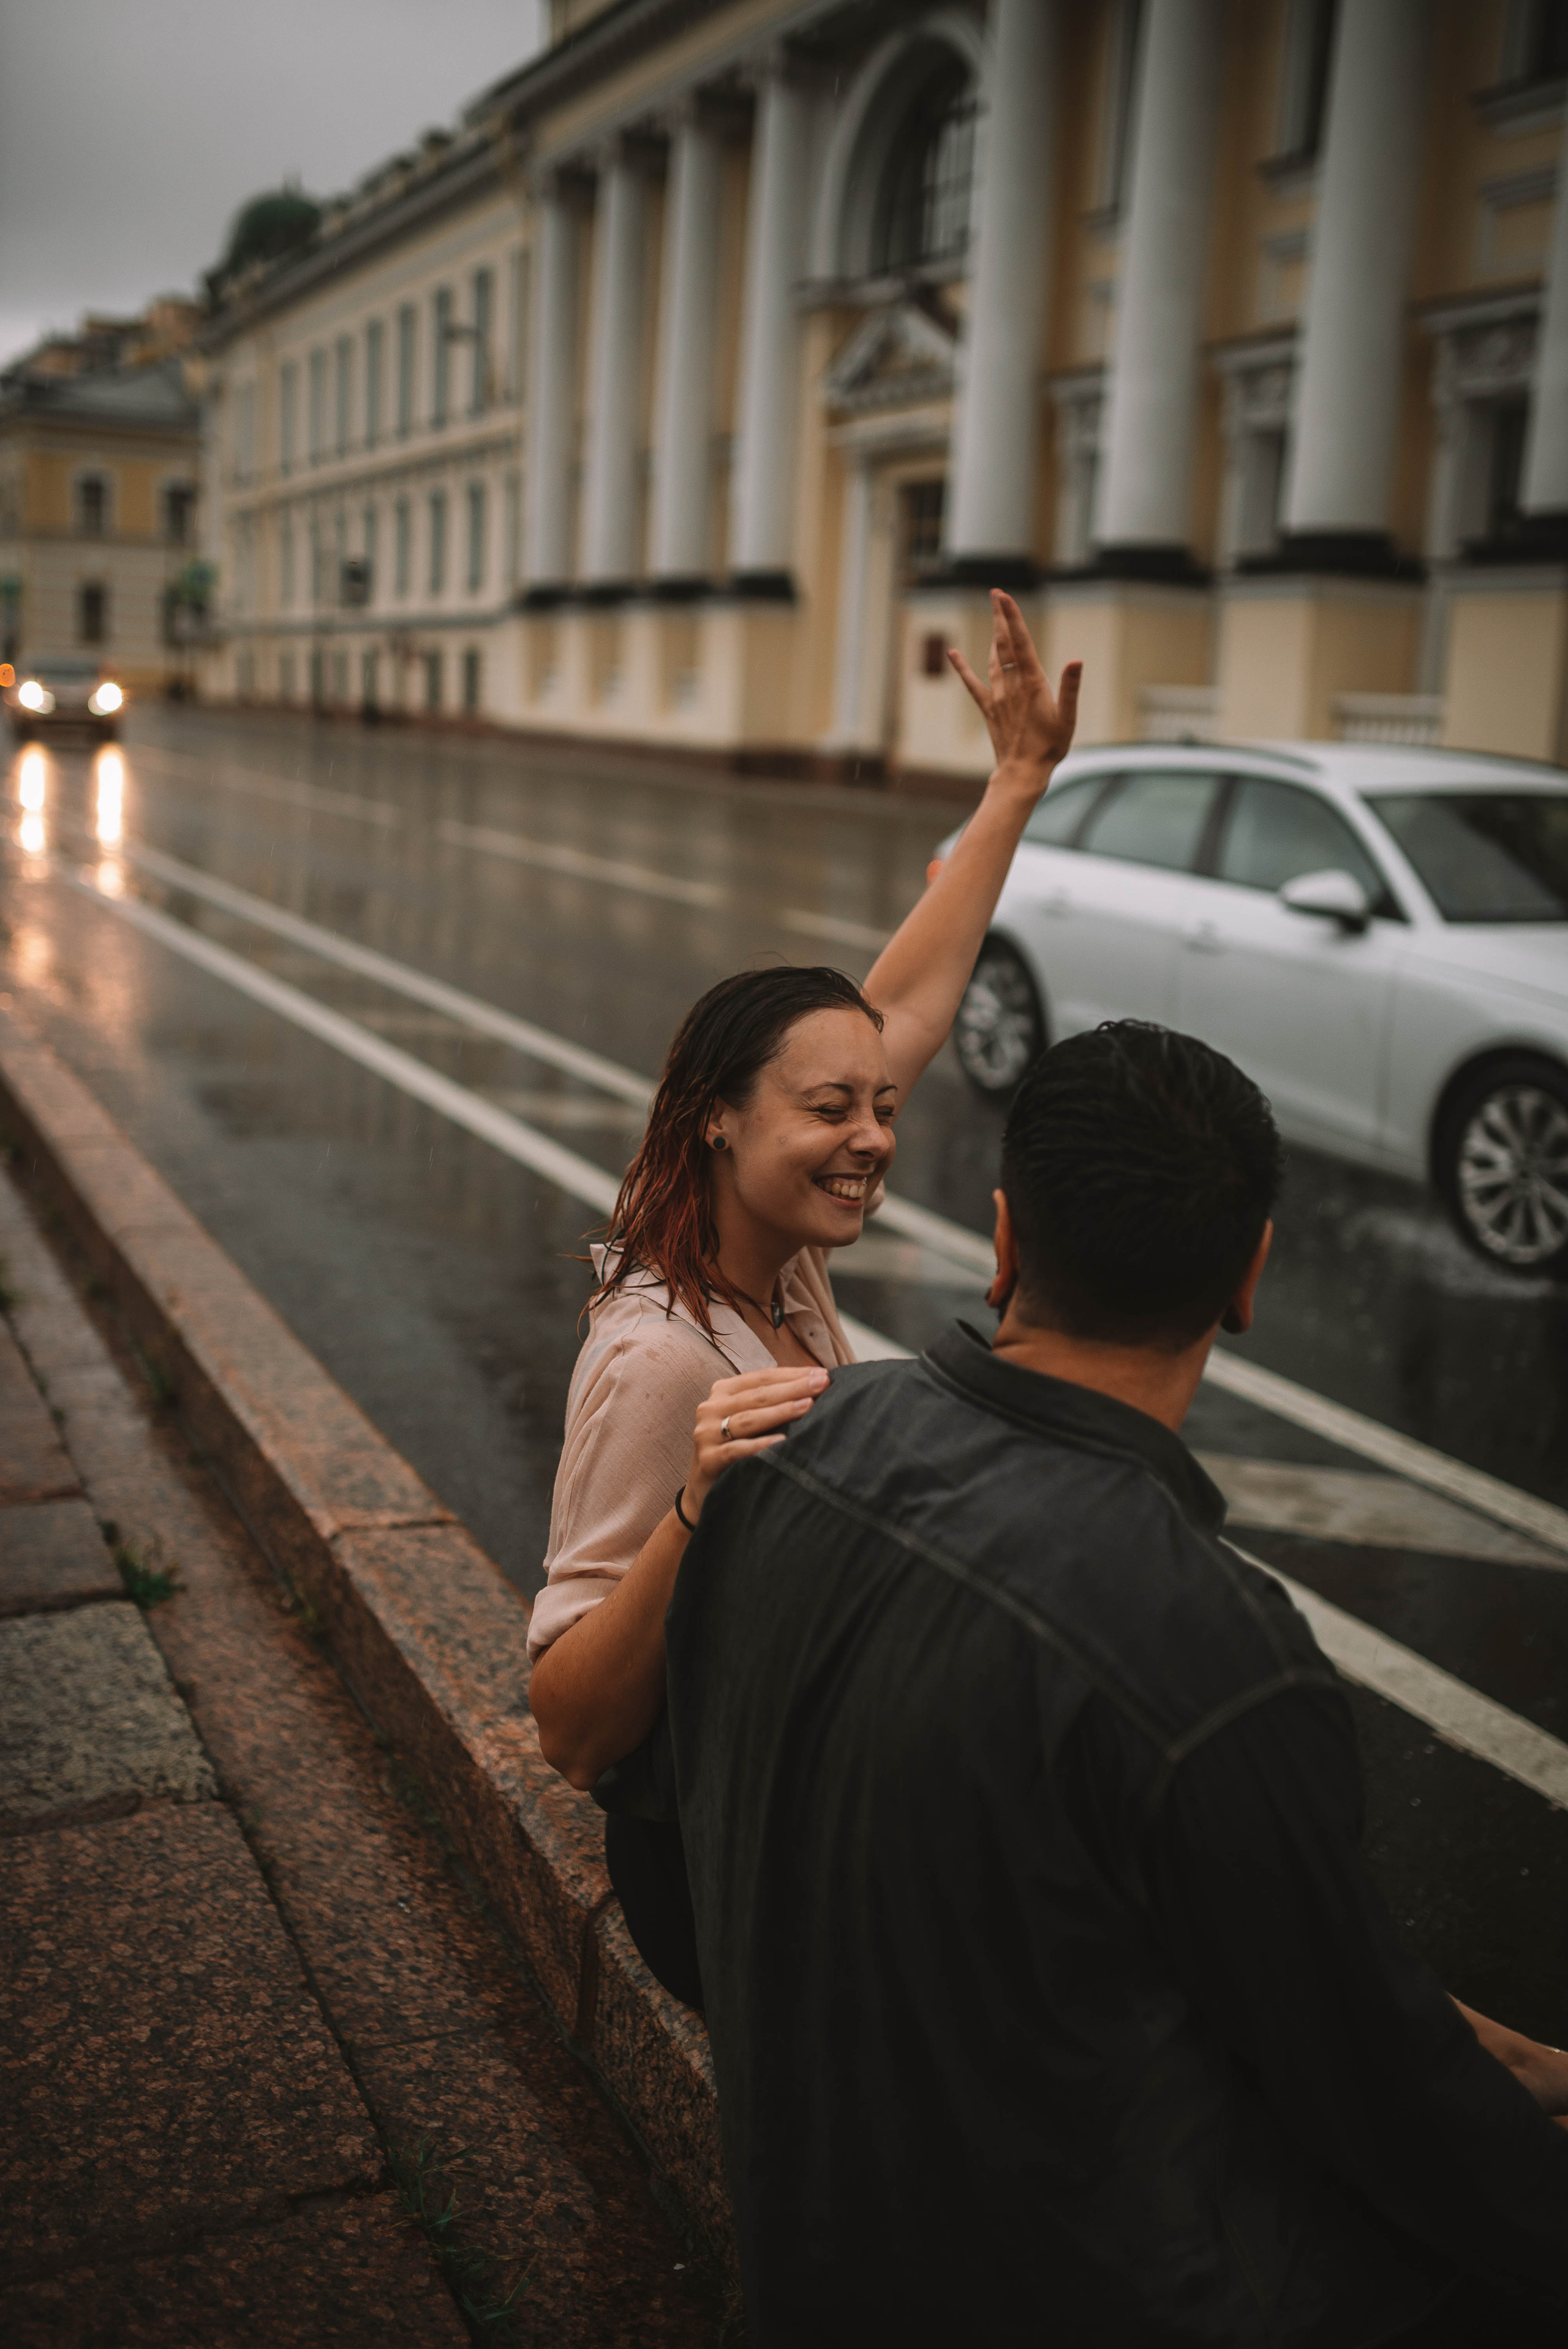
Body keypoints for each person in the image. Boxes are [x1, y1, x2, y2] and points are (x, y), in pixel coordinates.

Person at [663, 1021, 1568, 2347]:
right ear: (1247, 1276)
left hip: (808, 2257)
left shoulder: (787, 1438)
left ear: (1003, 1240)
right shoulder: (1214, 1645)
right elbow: (1373, 2086)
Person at [527, 592, 1083, 2002]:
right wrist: (695, 1507)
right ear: (717, 1119)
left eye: (880, 1107)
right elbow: (569, 1727)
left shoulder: (775, 1249)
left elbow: (911, 1000)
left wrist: (1015, 783)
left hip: (780, 1793)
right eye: (831, 1109)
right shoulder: (661, 1360)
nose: (873, 1136)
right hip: (716, 1875)